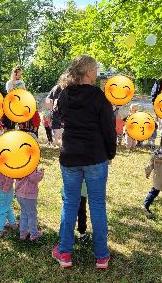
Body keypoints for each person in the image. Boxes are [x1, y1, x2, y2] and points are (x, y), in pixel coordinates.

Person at [52, 55, 116, 270]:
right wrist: (110, 152)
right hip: (95, 157)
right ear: (88, 72)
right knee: (97, 205)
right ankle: (101, 256)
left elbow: (60, 117)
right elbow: (109, 128)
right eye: (95, 69)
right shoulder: (98, 96)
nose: (97, 72)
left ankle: (65, 253)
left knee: (70, 203)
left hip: (70, 156)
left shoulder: (64, 95)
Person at [15, 168, 45, 241]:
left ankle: (23, 233)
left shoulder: (18, 165)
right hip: (28, 195)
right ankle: (34, 234)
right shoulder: (30, 166)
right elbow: (35, 178)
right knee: (32, 215)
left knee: (24, 213)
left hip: (19, 194)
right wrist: (41, 173)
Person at [46, 74, 66, 147]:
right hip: (50, 106)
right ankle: (54, 141)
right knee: (52, 123)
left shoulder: (66, 89)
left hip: (55, 108)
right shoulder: (57, 89)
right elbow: (54, 105)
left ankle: (58, 141)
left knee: (61, 124)